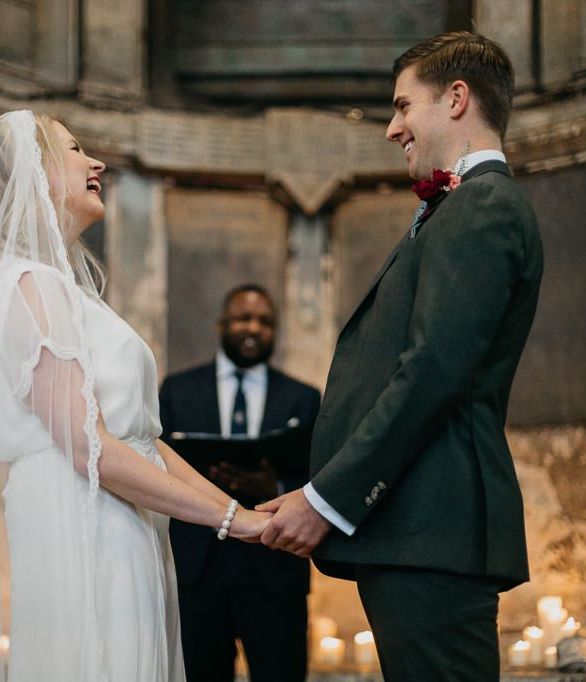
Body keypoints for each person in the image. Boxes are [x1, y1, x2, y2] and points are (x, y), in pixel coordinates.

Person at [257, 32, 543, 681]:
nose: (392, 128)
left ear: (456, 98)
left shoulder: (483, 206)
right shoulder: (458, 207)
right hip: (417, 537)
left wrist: (326, 500)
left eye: (402, 106)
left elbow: (430, 374)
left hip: (431, 535)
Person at [0, 110, 270, 682]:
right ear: (32, 171)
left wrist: (238, 516)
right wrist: (233, 520)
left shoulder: (67, 289)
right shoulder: (29, 282)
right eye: (74, 149)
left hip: (125, 516)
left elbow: (142, 438)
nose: (95, 161)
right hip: (81, 518)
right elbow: (86, 447)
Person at [159, 284, 320, 682]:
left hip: (275, 568)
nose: (253, 328)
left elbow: (318, 475)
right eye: (242, 318)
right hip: (198, 569)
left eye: (265, 322)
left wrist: (275, 483)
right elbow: (158, 467)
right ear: (222, 324)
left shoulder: (303, 398)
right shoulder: (177, 391)